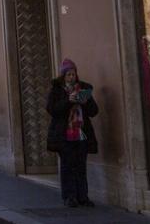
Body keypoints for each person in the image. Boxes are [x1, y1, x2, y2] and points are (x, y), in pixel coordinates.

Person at [47, 59, 98, 208]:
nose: (71, 77)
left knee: (81, 166)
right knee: (67, 166)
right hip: (64, 134)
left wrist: (86, 101)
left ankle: (83, 196)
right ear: (63, 76)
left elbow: (94, 111)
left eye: (73, 74)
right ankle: (69, 196)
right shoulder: (56, 91)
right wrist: (68, 101)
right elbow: (52, 109)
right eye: (68, 74)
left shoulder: (83, 89)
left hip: (81, 133)